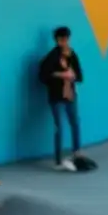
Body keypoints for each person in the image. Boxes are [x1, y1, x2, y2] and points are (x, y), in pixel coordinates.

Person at [38, 26, 84, 171]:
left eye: (66, 39)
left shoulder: (73, 55)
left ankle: (76, 153)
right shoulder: (51, 57)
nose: (64, 42)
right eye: (61, 39)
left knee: (75, 122)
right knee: (59, 127)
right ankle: (58, 160)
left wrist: (72, 76)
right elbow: (43, 76)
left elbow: (80, 76)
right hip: (56, 96)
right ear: (57, 40)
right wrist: (60, 75)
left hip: (71, 94)